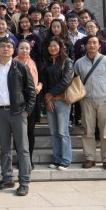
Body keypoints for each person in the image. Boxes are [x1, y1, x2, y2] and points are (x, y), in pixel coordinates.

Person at [0, 37, 35, 196]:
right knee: (4, 148)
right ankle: (7, 178)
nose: (6, 49)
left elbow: (31, 91)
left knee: (22, 149)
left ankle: (24, 182)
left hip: (18, 112)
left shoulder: (20, 67)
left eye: (9, 46)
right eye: (2, 46)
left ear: (13, 50)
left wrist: (26, 110)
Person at [74, 35, 106, 170]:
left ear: (99, 45)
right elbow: (76, 83)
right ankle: (90, 158)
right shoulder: (79, 63)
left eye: (95, 43)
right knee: (88, 131)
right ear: (85, 45)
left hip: (105, 100)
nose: (92, 45)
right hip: (87, 101)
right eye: (89, 43)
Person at [41, 36, 74, 170]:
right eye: (50, 46)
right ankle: (56, 158)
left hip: (62, 101)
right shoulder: (47, 62)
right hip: (50, 101)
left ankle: (65, 159)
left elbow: (66, 81)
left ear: (60, 47)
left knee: (62, 132)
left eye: (55, 45)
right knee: (54, 132)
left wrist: (51, 94)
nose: (52, 48)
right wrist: (47, 98)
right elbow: (43, 83)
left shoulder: (67, 61)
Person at [15, 39, 43, 168]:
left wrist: (39, 86)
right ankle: (20, 158)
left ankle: (28, 159)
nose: (24, 50)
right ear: (17, 49)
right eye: (21, 48)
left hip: (32, 99)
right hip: (17, 100)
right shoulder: (12, 63)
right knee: (18, 132)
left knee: (30, 131)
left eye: (27, 48)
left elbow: (41, 80)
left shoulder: (34, 63)